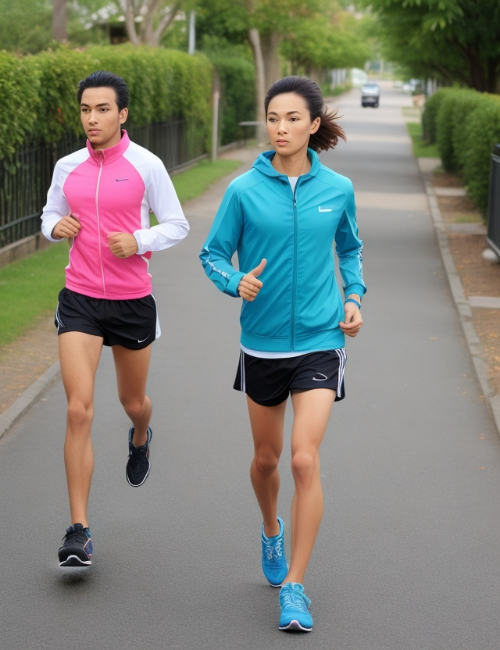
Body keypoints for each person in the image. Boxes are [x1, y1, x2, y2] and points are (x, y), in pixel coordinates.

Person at [200, 76, 365, 632]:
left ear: (314, 125)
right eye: (274, 117)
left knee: (302, 459)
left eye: (293, 118)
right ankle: (271, 528)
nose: (281, 127)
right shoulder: (243, 190)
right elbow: (213, 254)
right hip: (262, 344)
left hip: (321, 339)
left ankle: (294, 585)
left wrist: (353, 298)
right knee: (267, 459)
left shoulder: (338, 188)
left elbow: (350, 249)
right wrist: (235, 282)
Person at [41, 70, 189, 567]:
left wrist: (140, 240)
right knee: (78, 410)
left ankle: (141, 434)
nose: (92, 118)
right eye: (86, 109)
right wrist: (56, 227)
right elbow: (48, 216)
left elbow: (177, 224)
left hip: (131, 302)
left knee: (133, 402)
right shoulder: (67, 166)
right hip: (80, 298)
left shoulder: (147, 165)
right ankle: (78, 531)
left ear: (122, 114)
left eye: (102, 109)